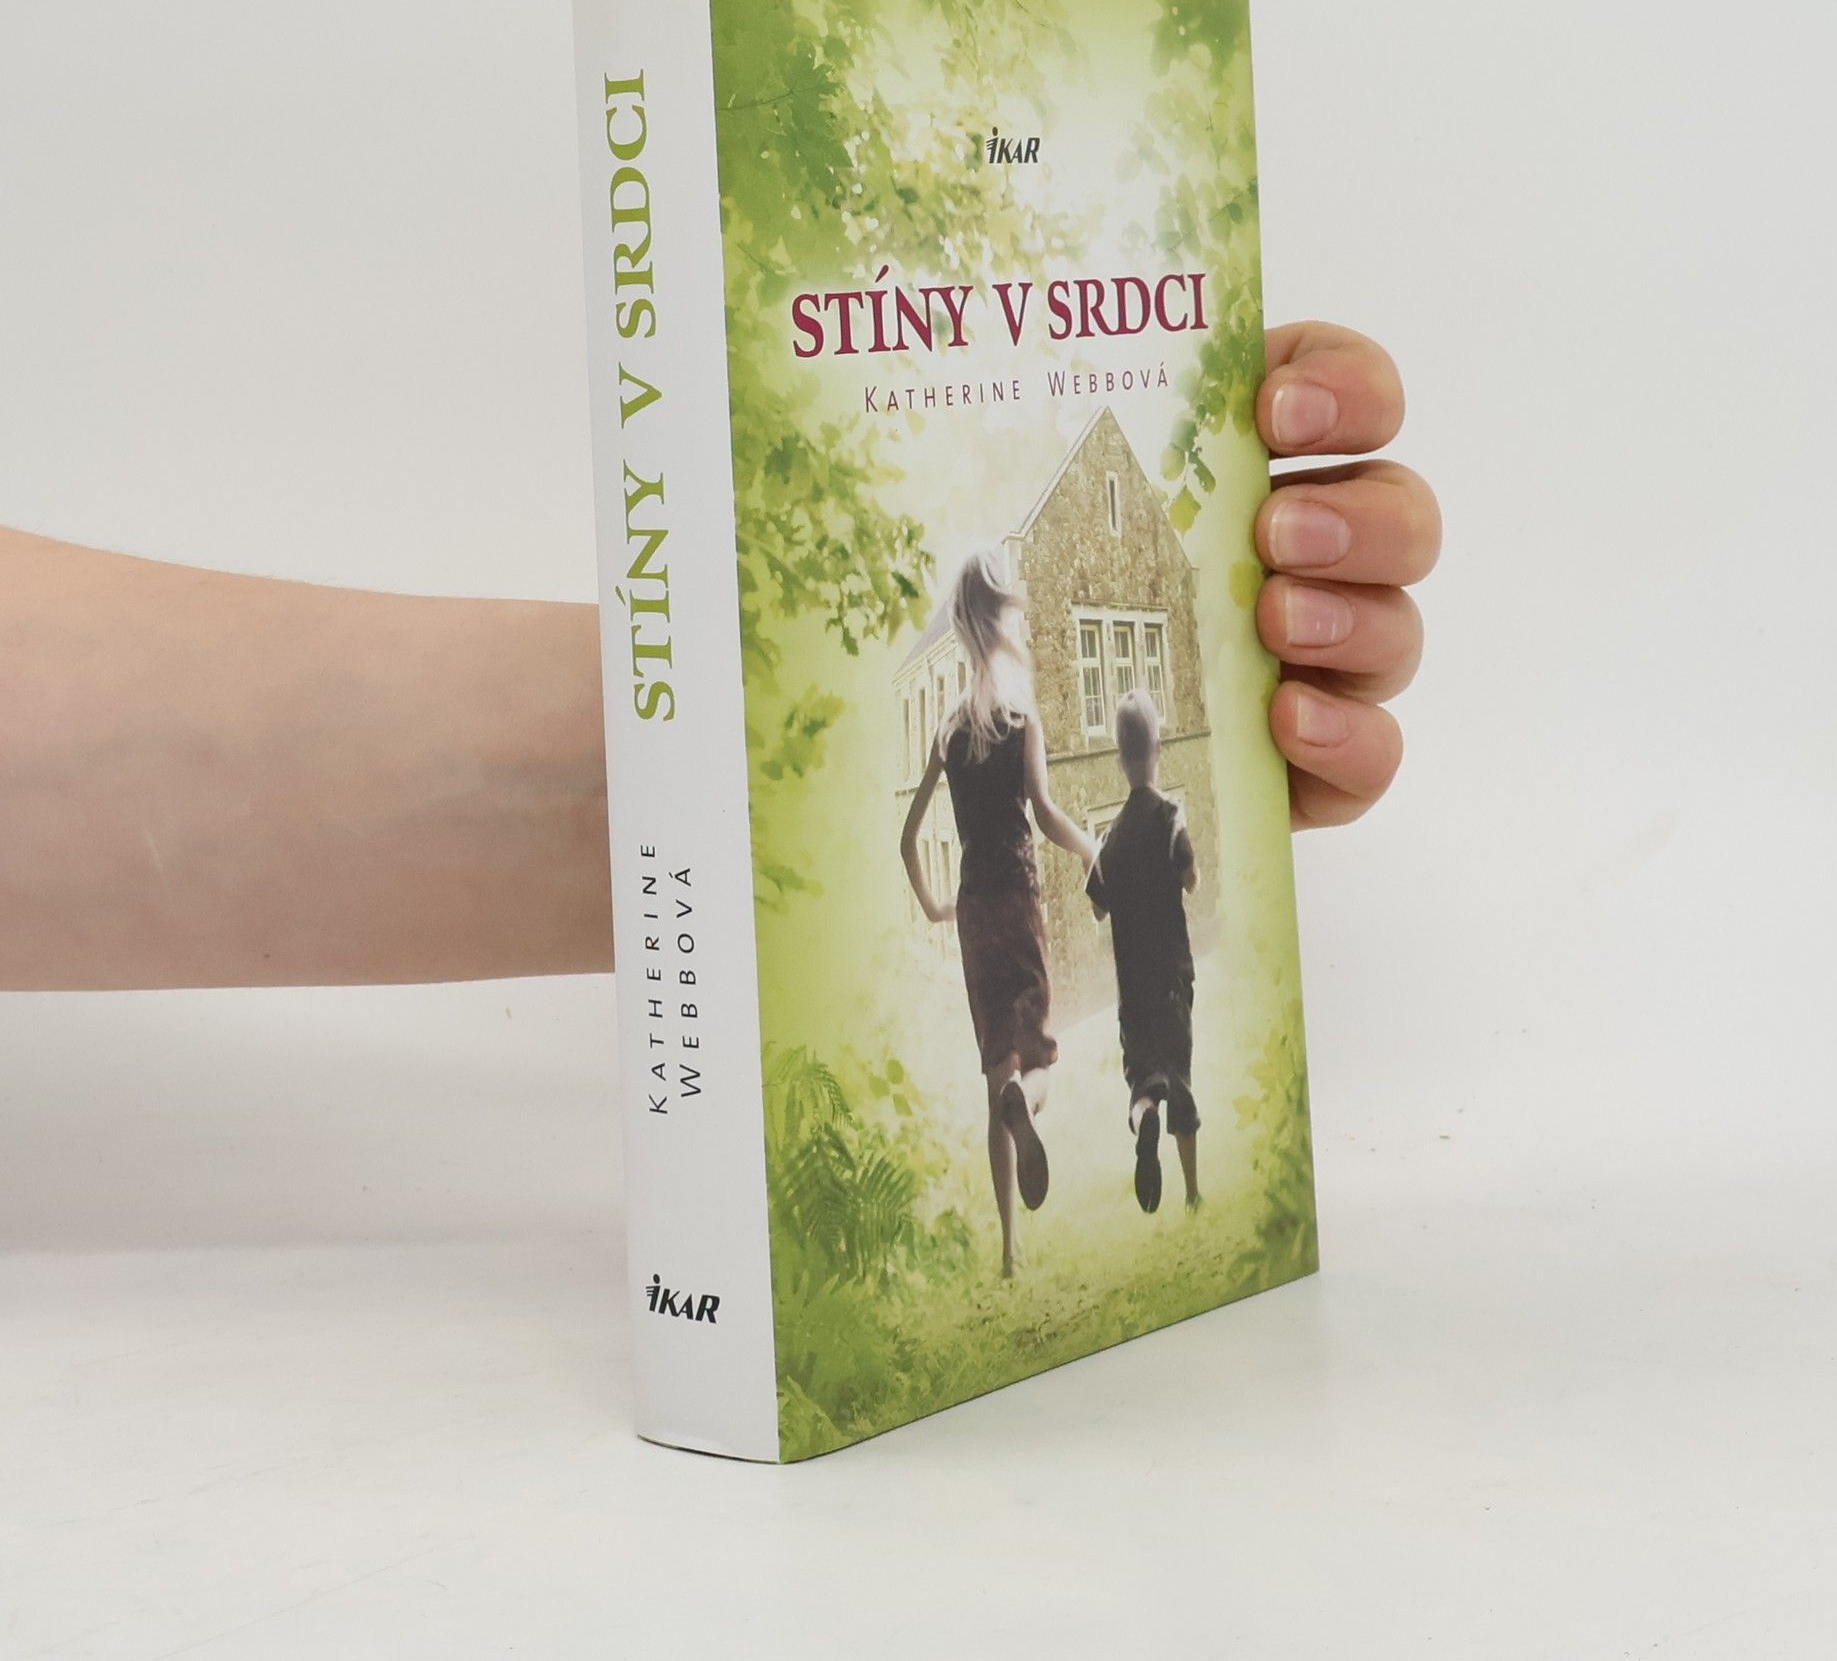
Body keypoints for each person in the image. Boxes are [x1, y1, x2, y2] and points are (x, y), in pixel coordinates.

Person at [0, 324, 1439, 993]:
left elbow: (1001, 813)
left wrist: (702, 768)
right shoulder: (966, 730)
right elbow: (962, 815)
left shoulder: (996, 725)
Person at [900, 545, 1097, 1277]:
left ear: (960, 625)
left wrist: (934, 906)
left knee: (993, 1074)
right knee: (1035, 1062)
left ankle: (1009, 1255)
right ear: (1001, 616)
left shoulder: (949, 729)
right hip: (1017, 898)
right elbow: (1044, 812)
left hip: (974, 909)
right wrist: (1091, 850)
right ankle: (1026, 1099)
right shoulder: (1019, 717)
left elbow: (907, 838)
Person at [1086, 690, 1200, 1214]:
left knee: (1143, 1085)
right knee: (1180, 1081)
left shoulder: (1110, 840)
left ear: (1119, 760)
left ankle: (1144, 1117)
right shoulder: (1171, 818)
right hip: (1173, 980)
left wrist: (1095, 860)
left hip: (1133, 995)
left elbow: (1098, 908)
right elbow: (1191, 879)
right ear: (1159, 747)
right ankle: (1192, 1192)